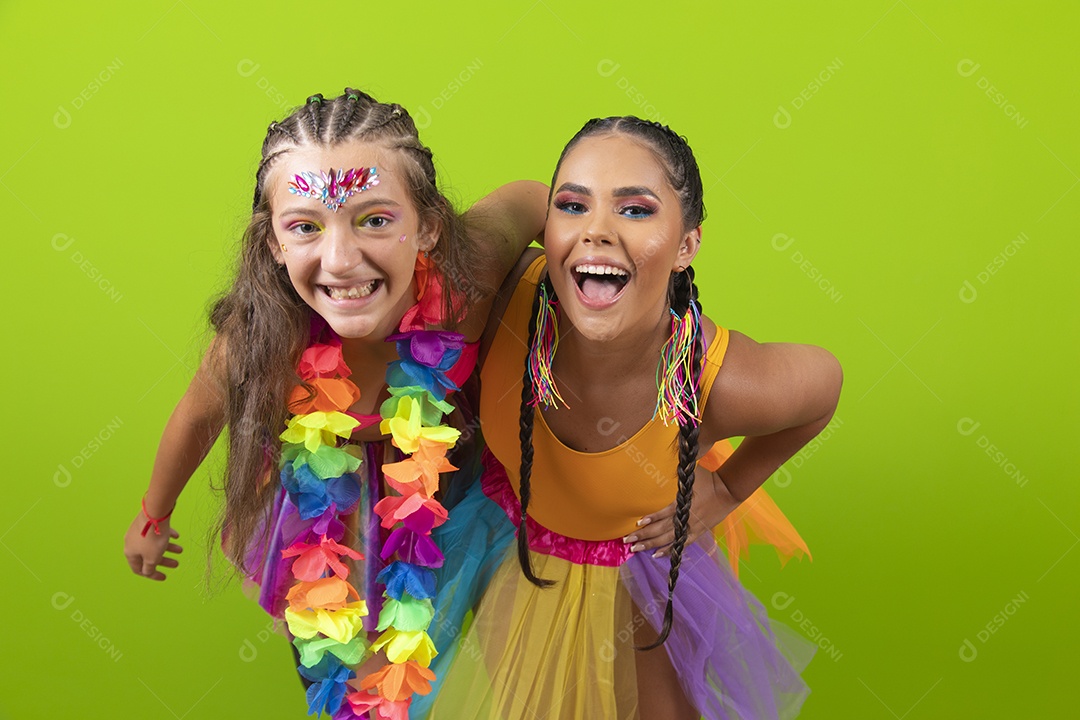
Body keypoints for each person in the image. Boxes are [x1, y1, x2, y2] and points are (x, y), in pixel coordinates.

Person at [122, 88, 547, 719]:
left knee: (511, 663)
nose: (342, 260)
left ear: (429, 226)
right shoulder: (261, 338)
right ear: (273, 242)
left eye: (375, 220)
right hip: (323, 502)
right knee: (343, 671)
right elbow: (197, 416)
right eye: (305, 226)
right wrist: (153, 517)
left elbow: (536, 197)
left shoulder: (468, 280)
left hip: (452, 485)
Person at [428, 116, 843, 719]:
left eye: (635, 210)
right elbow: (512, 206)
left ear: (686, 247)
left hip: (636, 557)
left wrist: (728, 488)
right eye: (574, 205)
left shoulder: (720, 381)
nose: (596, 230)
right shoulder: (498, 302)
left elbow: (824, 384)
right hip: (514, 536)